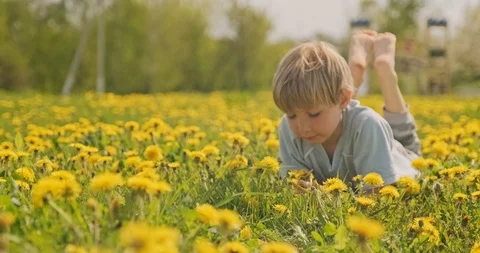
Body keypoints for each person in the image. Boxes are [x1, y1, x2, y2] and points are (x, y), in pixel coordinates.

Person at [272, 30, 421, 190]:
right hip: (349, 118)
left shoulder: (368, 125)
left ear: (343, 99)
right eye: (291, 115)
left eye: (314, 114)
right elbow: (295, 186)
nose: (302, 128)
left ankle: (385, 70)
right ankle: (355, 70)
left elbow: (377, 194)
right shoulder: (287, 128)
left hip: (403, 158)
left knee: (401, 138)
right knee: (333, 102)